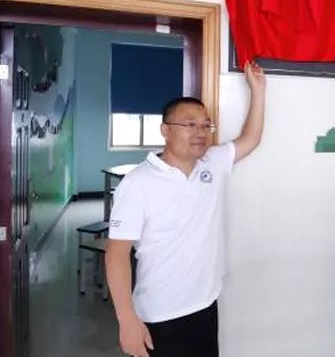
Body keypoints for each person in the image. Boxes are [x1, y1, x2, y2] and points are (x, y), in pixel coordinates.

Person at [105, 62, 266, 357]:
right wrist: (126, 321)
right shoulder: (138, 182)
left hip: (206, 304)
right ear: (165, 130)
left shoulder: (212, 163)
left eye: (206, 125)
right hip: (160, 314)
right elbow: (116, 255)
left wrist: (258, 90)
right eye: (190, 125)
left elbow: (251, 138)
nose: (200, 132)